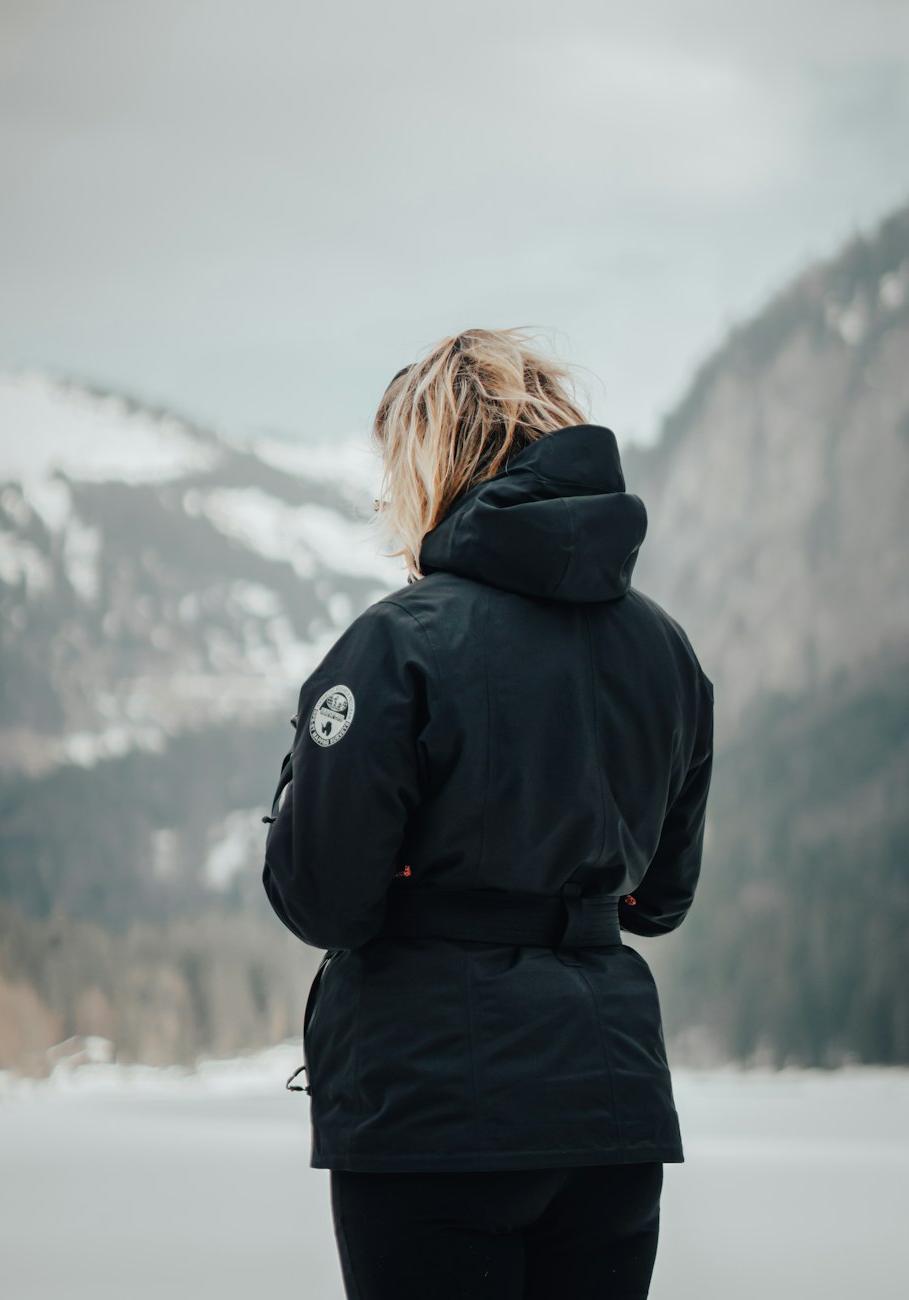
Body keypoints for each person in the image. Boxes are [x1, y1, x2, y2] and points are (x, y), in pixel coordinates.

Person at [262, 326, 715, 1300]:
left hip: (435, 1113)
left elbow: (324, 900)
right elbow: (663, 898)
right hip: (609, 1110)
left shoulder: (400, 645)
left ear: (431, 457)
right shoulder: (666, 652)